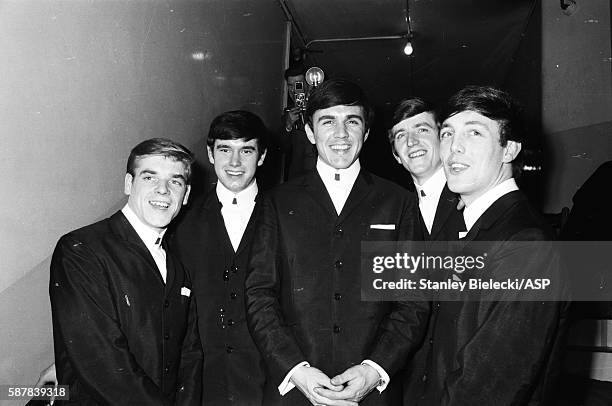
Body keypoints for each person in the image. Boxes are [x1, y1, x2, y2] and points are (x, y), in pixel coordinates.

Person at [245, 78, 428, 406]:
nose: (341, 135)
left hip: (373, 394)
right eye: (328, 121)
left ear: (366, 132)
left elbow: (412, 301)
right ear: (311, 132)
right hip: (295, 392)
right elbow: (260, 295)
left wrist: (373, 370)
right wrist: (297, 370)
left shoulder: (398, 202)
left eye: (352, 122)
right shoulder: (276, 202)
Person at [408, 86, 567, 405]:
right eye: (448, 134)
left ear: (509, 150)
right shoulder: (459, 225)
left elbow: (487, 388)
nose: (454, 149)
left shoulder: (526, 244)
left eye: (475, 133)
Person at [49, 138, 202, 405]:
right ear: (129, 184)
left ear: (186, 195)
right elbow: (102, 363)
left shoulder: (178, 268)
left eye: (175, 181)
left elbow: (190, 356)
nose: (163, 190)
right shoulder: (82, 249)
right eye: (150, 178)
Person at [169, 110, 268, 405]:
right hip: (203, 386)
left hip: (267, 384)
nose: (235, 163)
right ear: (210, 154)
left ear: (261, 157)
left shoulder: (288, 214)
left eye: (246, 151)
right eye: (225, 150)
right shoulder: (179, 222)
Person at [388, 97, 464, 240]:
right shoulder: (398, 208)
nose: (411, 141)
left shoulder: (471, 194)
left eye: (422, 130)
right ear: (396, 155)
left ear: (443, 139)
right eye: (401, 135)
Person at [279, 65, 317, 180]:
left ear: (308, 85)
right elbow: (282, 148)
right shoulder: (287, 114)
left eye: (298, 84)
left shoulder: (321, 109)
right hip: (296, 177)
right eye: (290, 85)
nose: (294, 89)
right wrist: (288, 125)